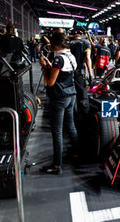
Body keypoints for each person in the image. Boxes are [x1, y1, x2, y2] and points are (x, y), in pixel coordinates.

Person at [39, 33, 78, 174]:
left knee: (57, 131)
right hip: (71, 95)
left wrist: (44, 67)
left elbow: (50, 82)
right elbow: (64, 73)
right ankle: (75, 153)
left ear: (56, 45)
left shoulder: (58, 59)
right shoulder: (70, 56)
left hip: (59, 97)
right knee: (71, 126)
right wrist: (50, 66)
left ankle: (57, 166)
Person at [70, 32, 93, 115]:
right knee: (82, 96)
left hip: (68, 72)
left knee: (70, 95)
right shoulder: (86, 43)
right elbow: (87, 57)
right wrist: (90, 74)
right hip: (79, 72)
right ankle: (84, 117)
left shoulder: (69, 44)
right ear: (80, 37)